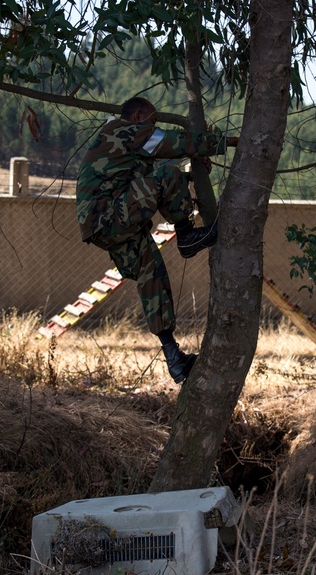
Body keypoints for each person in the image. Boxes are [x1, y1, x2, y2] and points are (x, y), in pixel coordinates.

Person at [76, 96, 238, 383]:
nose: (153, 128)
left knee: (152, 277)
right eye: (152, 122)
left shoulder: (126, 154)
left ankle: (173, 357)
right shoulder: (121, 131)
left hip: (106, 226)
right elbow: (170, 144)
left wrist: (191, 176)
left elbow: (156, 183)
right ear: (138, 117)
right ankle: (186, 235)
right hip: (110, 217)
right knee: (168, 173)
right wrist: (226, 143)